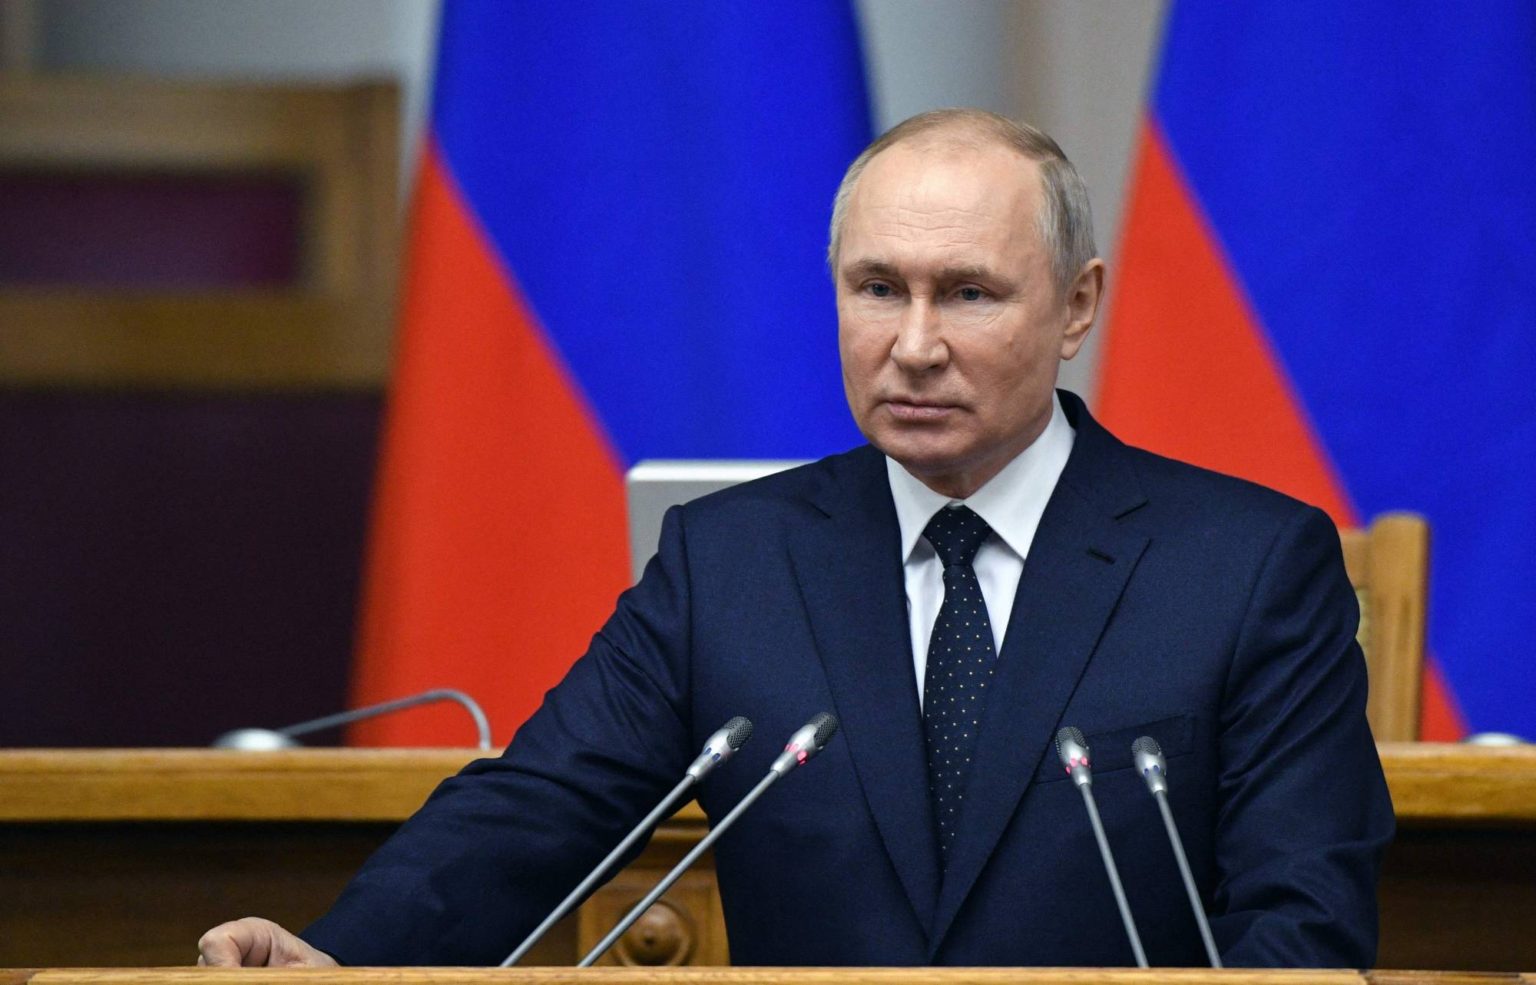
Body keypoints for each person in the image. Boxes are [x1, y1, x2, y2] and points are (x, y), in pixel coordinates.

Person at [199, 109, 1394, 969]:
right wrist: (338, 956)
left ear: (1077, 304)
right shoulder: (733, 562)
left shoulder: (1248, 566)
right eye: (877, 288)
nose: (913, 342)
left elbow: (1303, 917)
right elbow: (537, 807)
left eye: (968, 293)